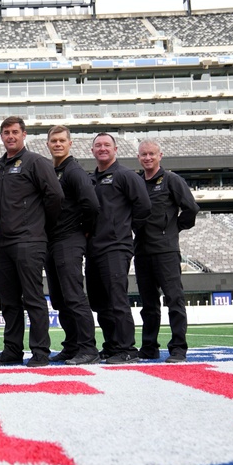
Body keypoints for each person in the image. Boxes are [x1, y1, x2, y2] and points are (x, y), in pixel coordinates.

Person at [0, 116, 63, 367]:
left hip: (29, 241)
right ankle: (12, 350)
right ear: (1, 136)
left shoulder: (36, 162)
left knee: (32, 298)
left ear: (24, 134)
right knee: (8, 301)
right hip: (3, 243)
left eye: (15, 132)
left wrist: (39, 227)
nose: (10, 136)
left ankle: (40, 351)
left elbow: (55, 197)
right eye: (6, 132)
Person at [87, 132, 151, 364]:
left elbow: (143, 207)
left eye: (107, 145)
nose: (102, 148)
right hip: (93, 248)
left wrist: (122, 229)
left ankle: (126, 349)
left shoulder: (125, 176)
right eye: (98, 145)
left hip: (116, 246)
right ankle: (112, 345)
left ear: (115, 150)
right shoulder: (90, 179)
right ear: (92, 151)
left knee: (116, 298)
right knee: (99, 301)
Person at [135, 140, 199, 363]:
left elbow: (191, 208)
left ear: (160, 155)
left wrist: (174, 228)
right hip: (141, 251)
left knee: (174, 299)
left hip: (166, 251)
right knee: (148, 304)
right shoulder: (136, 182)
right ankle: (149, 347)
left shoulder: (171, 180)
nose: (148, 158)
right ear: (138, 157)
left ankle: (178, 348)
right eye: (143, 154)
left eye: (151, 154)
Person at [44, 126, 100, 366]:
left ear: (70, 143)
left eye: (61, 140)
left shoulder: (74, 171)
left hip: (69, 239)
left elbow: (92, 205)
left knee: (74, 296)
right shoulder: (52, 170)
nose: (57, 144)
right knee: (59, 298)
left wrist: (83, 229)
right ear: (48, 144)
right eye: (53, 141)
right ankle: (72, 345)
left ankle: (88, 348)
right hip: (52, 240)